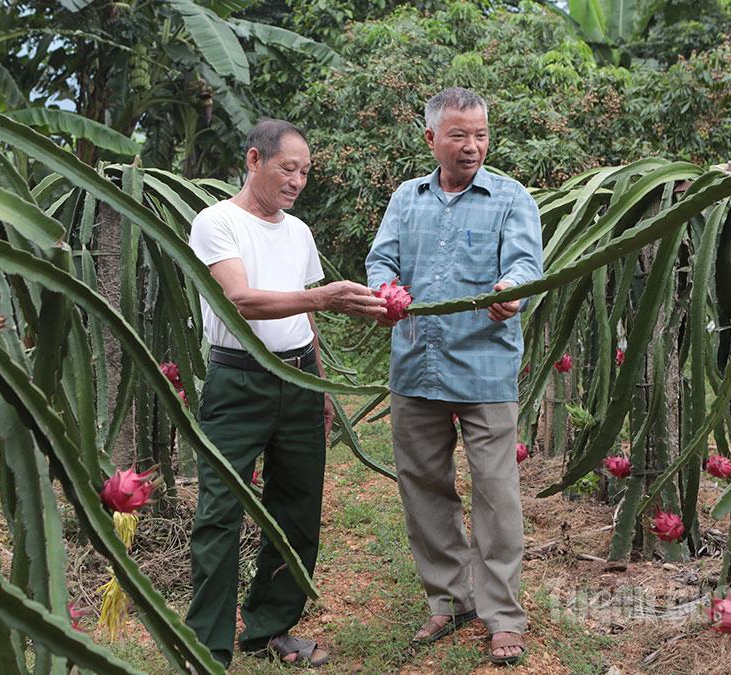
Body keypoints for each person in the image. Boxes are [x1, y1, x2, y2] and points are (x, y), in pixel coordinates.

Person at [185, 118, 386, 668]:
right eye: (287, 169)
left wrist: (319, 385)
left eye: (305, 173)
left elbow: (304, 316)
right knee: (220, 510)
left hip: (299, 379)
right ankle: (208, 644)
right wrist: (320, 298)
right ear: (255, 161)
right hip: (238, 378)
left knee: (296, 508)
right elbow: (241, 300)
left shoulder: (298, 232)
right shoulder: (216, 222)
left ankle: (268, 630)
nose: (297, 182)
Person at [365, 87, 543, 665]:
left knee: (496, 493)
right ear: (431, 139)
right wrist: (386, 287)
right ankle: (449, 599)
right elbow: (382, 260)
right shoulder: (406, 199)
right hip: (416, 364)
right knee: (424, 486)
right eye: (459, 135)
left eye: (482, 135)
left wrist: (508, 294)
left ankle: (503, 616)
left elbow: (523, 265)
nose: (472, 147)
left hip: (485, 365)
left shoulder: (511, 198)